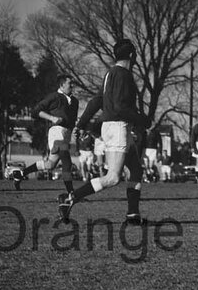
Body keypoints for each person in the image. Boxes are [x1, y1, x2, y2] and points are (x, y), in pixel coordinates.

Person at [59, 39, 149, 225]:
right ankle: (69, 199)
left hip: (112, 126)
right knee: (113, 177)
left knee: (136, 170)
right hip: (118, 127)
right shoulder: (124, 74)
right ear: (132, 56)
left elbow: (96, 101)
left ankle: (133, 215)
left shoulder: (110, 73)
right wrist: (142, 120)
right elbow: (119, 107)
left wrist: (82, 123)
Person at [12, 74, 80, 196]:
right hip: (56, 131)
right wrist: (52, 118)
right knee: (67, 162)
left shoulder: (75, 101)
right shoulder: (54, 96)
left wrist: (76, 130)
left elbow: (73, 121)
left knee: (50, 165)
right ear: (62, 85)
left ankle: (20, 174)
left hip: (67, 134)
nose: (72, 85)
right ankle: (72, 194)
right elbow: (35, 111)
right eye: (70, 83)